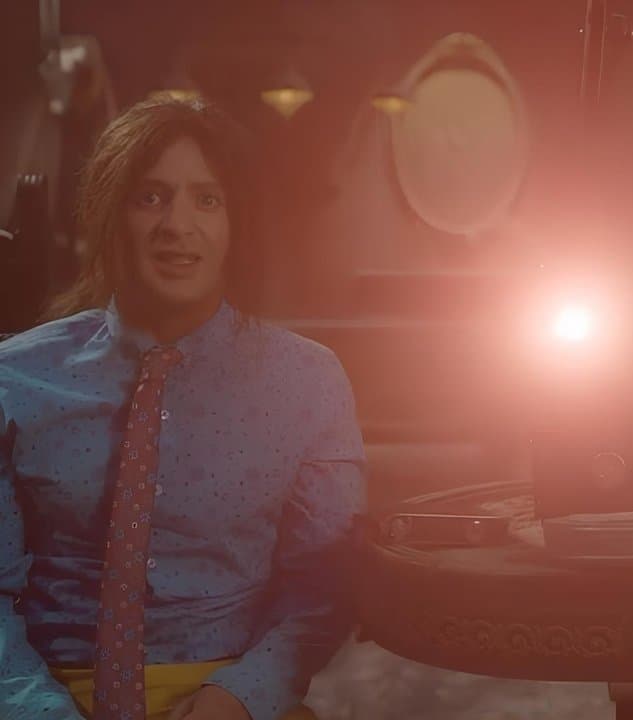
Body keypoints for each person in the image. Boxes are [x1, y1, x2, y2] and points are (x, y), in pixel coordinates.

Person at [0, 95, 366, 719]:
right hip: (43, 693)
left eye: (207, 200)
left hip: (227, 696)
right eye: (150, 197)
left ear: (236, 223)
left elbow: (324, 588)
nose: (177, 225)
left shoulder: (307, 382)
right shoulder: (16, 378)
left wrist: (240, 697)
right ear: (110, 215)